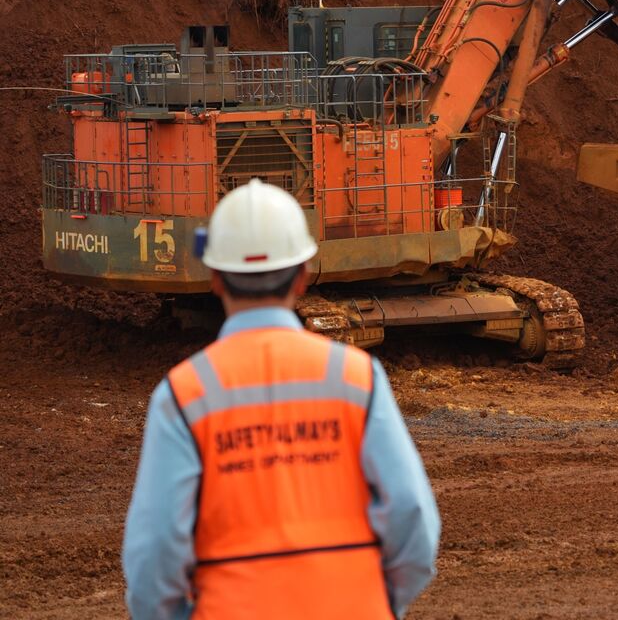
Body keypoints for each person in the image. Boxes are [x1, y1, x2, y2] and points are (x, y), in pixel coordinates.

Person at [122, 179, 440, 619]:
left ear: (215, 277)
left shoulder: (184, 394)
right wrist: (380, 602)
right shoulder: (355, 377)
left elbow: (156, 549)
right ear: (304, 275)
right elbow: (411, 514)